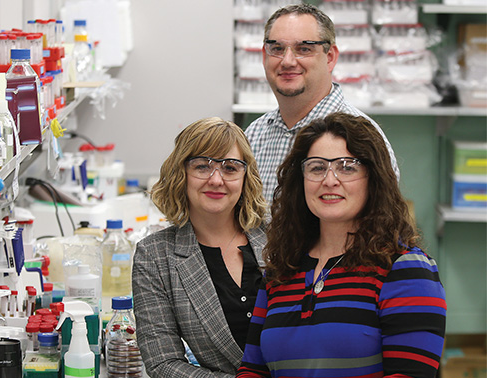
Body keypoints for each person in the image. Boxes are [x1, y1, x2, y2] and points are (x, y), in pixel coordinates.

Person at [236, 112, 446, 378]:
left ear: (374, 178)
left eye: (347, 167)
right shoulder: (281, 271)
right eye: (317, 167)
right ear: (300, 181)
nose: (330, 180)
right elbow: (252, 369)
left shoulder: (406, 269)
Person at [132, 117, 269, 377]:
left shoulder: (278, 236)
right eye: (202, 166)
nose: (216, 179)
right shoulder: (155, 256)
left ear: (245, 176)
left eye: (230, 168)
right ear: (180, 173)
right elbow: (163, 364)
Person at [245, 4, 400, 203]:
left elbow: (379, 226)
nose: (288, 61)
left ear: (330, 58)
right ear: (265, 57)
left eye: (304, 49)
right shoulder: (254, 135)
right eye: (277, 49)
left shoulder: (361, 138)